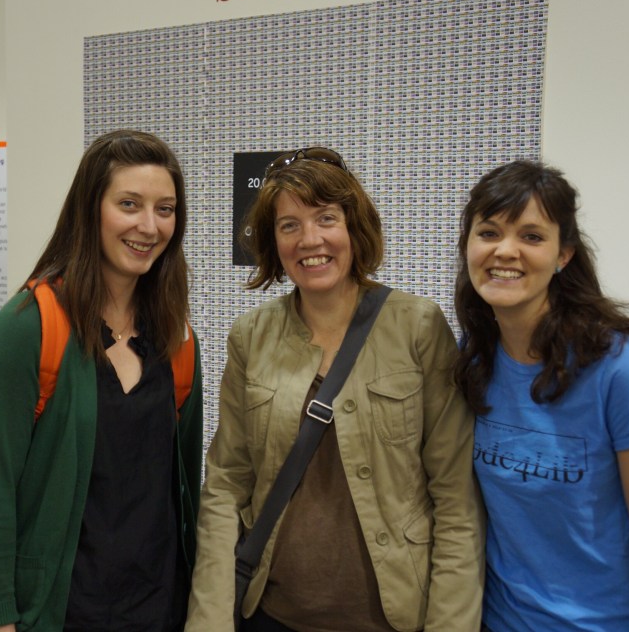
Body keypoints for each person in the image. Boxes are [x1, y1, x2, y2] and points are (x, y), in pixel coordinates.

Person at [186, 147, 484, 632]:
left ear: (353, 227)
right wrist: (208, 621)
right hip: (271, 616)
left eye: (326, 218)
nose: (310, 239)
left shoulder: (417, 327)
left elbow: (455, 500)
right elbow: (224, 486)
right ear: (272, 241)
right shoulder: (251, 335)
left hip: (393, 618)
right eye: (289, 225)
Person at [0, 129, 203, 632]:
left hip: (160, 607)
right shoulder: (28, 326)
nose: (149, 226)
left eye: (165, 209)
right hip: (59, 610)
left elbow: (185, 493)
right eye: (129, 204)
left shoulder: (177, 338)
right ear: (90, 208)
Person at [454, 159, 629, 631]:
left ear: (564, 255)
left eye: (532, 236)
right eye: (489, 232)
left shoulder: (622, 371)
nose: (506, 251)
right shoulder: (472, 356)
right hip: (497, 621)